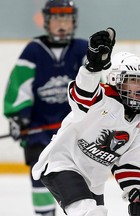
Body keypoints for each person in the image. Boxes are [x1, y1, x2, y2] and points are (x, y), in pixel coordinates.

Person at [31, 27, 140, 216]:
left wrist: (138, 194)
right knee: (89, 213)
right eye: (134, 80)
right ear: (116, 80)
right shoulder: (101, 98)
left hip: (93, 182)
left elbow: (132, 164)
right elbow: (82, 95)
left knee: (96, 212)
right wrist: (92, 68)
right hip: (62, 164)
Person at [3, 0, 87, 215]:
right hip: (39, 129)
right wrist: (17, 117)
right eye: (57, 18)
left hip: (73, 130)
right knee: (39, 173)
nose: (62, 24)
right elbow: (18, 87)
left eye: (66, 19)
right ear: (47, 22)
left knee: (78, 178)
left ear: (73, 22)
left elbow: (94, 87)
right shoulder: (33, 51)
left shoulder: (81, 49)